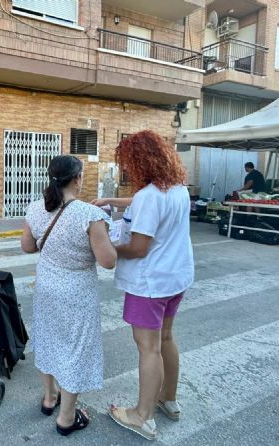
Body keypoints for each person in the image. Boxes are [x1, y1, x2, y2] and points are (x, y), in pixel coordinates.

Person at [106, 130, 194, 441]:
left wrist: (106, 246)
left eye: (128, 163)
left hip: (149, 283)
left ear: (140, 162)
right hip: (175, 278)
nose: (126, 169)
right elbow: (145, 202)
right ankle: (168, 399)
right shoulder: (177, 189)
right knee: (166, 338)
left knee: (148, 348)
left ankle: (142, 416)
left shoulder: (147, 197)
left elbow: (139, 248)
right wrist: (110, 200)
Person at [21, 155, 116, 437]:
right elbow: (108, 260)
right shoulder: (89, 214)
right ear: (76, 178)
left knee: (48, 338)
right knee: (75, 348)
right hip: (76, 293)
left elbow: (27, 246)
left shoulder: (36, 208)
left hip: (47, 287)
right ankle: (66, 417)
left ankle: (49, 398)